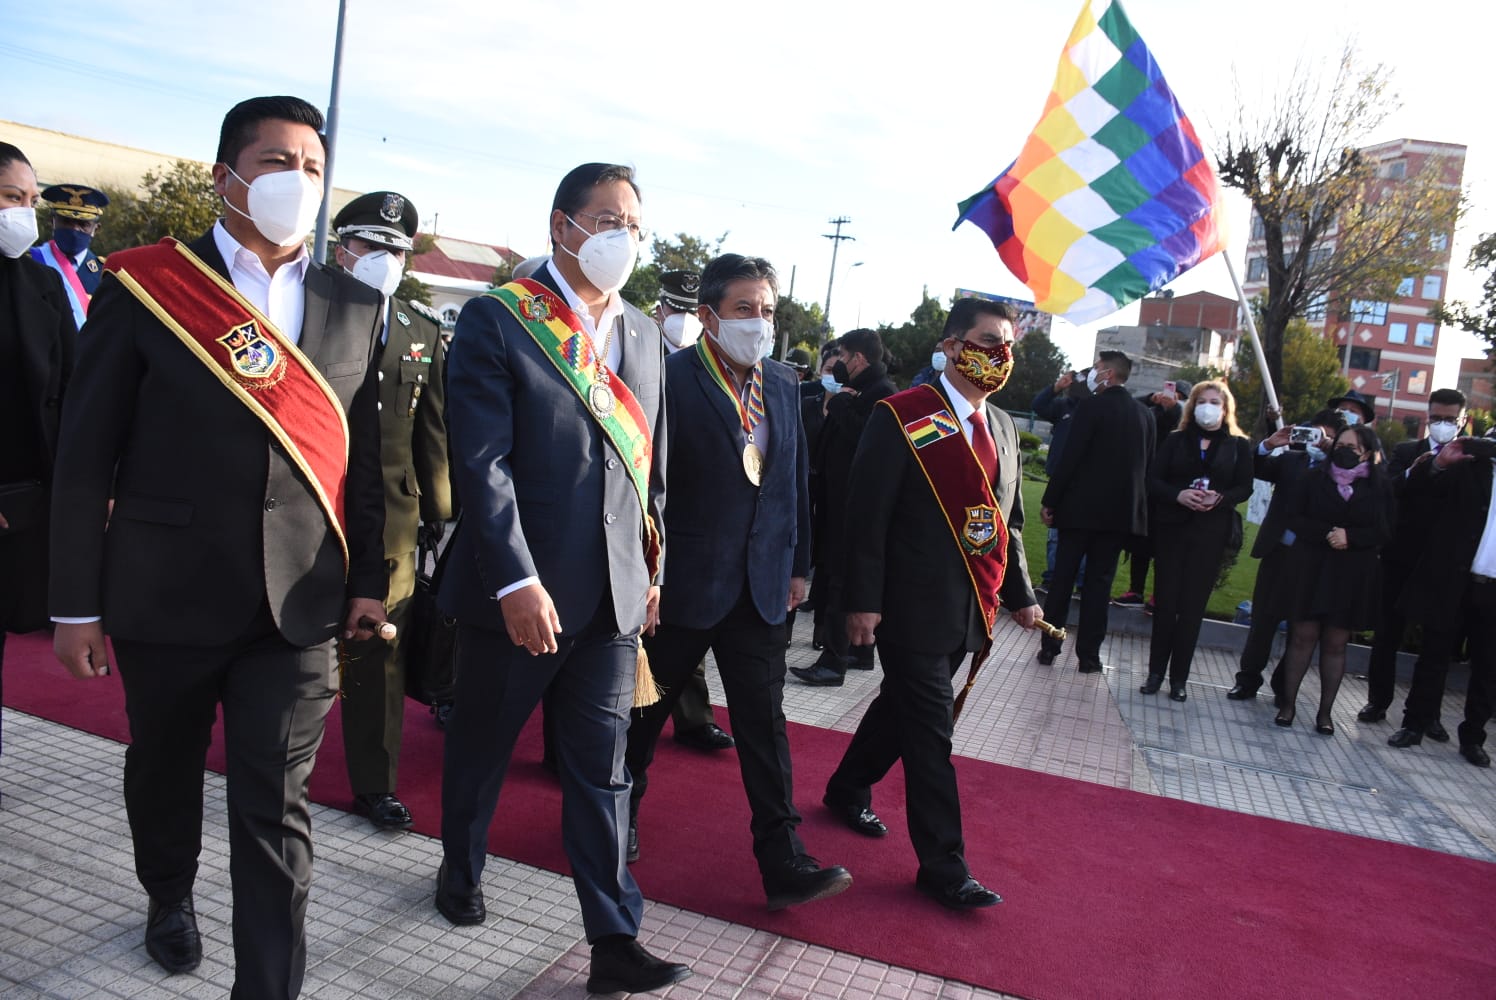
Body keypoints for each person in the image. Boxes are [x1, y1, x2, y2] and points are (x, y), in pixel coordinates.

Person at [47, 97, 389, 999]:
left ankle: (266, 987)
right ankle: (168, 895)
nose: (298, 183)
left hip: (298, 604)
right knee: (163, 769)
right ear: (225, 176)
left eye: (312, 168)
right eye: (277, 162)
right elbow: (85, 458)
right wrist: (75, 602)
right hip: (167, 591)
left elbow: (370, 458)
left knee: (275, 813)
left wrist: (372, 583)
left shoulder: (355, 304)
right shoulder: (145, 283)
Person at [434, 163, 689, 995]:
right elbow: (482, 463)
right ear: (562, 227)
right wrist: (515, 582)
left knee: (603, 769)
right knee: (481, 748)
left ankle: (614, 940)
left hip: (613, 598)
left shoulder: (647, 334)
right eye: (607, 219)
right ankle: (461, 867)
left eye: (635, 225)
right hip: (521, 596)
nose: (624, 238)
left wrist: (652, 568)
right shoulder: (498, 319)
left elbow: (649, 469)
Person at [624, 253, 852, 909]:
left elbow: (795, 483)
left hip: (763, 589)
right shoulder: (668, 379)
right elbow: (650, 488)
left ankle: (784, 860)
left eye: (768, 311)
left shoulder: (782, 383)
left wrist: (800, 565)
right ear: (707, 316)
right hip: (683, 588)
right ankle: (621, 808)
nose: (759, 323)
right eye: (744, 310)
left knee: (764, 726)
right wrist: (649, 576)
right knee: (644, 716)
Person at [823, 297, 1041, 908]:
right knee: (930, 731)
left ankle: (847, 787)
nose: (999, 355)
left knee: (903, 709)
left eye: (1007, 344)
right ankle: (945, 865)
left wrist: (1021, 595)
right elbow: (866, 516)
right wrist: (861, 602)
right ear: (949, 346)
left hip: (971, 605)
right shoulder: (903, 414)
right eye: (986, 340)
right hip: (910, 607)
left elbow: (1009, 523)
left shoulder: (1000, 425)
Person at [329, 190, 454, 831]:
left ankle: (374, 782)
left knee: (381, 647)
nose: (383, 259)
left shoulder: (420, 330)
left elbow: (432, 431)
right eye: (371, 245)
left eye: (397, 250)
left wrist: (444, 514)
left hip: (395, 523)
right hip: (313, 506)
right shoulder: (307, 311)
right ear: (341, 247)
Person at [1, 142, 78, 773]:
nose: (23, 214)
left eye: (29, 200)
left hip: (22, 502)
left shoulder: (40, 282)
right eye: (10, 199)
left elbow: (71, 390)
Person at [648, 268, 734, 753]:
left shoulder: (712, 364)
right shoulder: (634, 347)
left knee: (687, 621)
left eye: (689, 311)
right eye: (674, 309)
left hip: (692, 515)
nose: (680, 320)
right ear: (660, 308)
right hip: (642, 506)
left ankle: (693, 717)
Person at [791, 328, 897, 686]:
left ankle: (833, 661)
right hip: (839, 497)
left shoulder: (882, 394)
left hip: (854, 504)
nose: (836, 365)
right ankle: (858, 653)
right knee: (838, 575)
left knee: (839, 579)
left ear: (859, 359)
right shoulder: (867, 389)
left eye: (842, 357)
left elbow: (868, 441)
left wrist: (838, 405)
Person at [1037, 350, 1154, 672]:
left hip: (1079, 511)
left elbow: (1070, 458)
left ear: (1109, 375)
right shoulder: (1144, 415)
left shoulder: (1091, 407)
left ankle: (1050, 645)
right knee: (1099, 585)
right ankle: (1089, 656)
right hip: (1118, 517)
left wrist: (1051, 500)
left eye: (1098, 368)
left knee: (1063, 579)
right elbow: (1146, 467)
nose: (1092, 373)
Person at [1273, 424, 1393, 735]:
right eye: (1340, 445)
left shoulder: (1380, 486)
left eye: (1352, 448)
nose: (1344, 451)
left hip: (1351, 573)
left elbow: (1384, 530)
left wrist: (1350, 537)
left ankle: (1325, 713)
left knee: (1336, 643)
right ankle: (1287, 705)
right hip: (1311, 566)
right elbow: (1294, 517)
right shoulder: (1314, 477)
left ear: (1367, 452)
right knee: (1302, 637)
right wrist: (1326, 533)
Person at [1360, 388, 1466, 736]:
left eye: (1450, 419)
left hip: (1443, 566)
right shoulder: (1407, 452)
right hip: (1399, 558)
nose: (1442, 425)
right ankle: (1378, 700)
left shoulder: (1470, 461)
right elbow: (1385, 490)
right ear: (1427, 416)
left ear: (1463, 420)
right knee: (1387, 634)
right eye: (1436, 418)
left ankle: (1427, 713)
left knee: (1437, 644)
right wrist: (1413, 472)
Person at [1140, 382, 1252, 700]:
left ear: (1225, 407)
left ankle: (1179, 680)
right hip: (1172, 530)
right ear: (1192, 406)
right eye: (1202, 401)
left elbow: (1245, 486)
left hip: (1211, 532)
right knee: (1166, 603)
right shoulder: (1176, 440)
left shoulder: (1238, 445)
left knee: (1192, 608)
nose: (1208, 406)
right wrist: (1178, 494)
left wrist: (1220, 498)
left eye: (1214, 401)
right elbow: (1153, 479)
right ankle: (1155, 673)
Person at [1390, 434, 1496, 766]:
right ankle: (1414, 724)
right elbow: (1422, 493)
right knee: (1434, 655)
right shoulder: (1470, 467)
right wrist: (1438, 463)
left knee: (1488, 666)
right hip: (1453, 579)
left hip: (1492, 588)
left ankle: (1474, 737)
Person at [1227, 410, 1343, 701]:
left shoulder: (1341, 471)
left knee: (1300, 627)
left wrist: (1334, 456)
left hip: (1314, 559)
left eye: (1325, 437)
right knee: (1263, 620)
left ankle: (1284, 686)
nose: (1317, 441)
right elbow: (1253, 467)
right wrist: (1270, 444)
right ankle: (1247, 679)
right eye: (1313, 433)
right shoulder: (1291, 460)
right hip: (1278, 552)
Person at [1115, 380, 1190, 609]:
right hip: (1146, 488)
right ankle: (1135, 590)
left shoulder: (1186, 419)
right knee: (1140, 544)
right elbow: (1131, 409)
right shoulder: (1153, 413)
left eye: (1176, 395)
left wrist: (1174, 408)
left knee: (1164, 548)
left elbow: (1180, 424)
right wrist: (1151, 399)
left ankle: (1160, 595)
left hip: (1170, 492)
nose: (1170, 397)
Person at [1030, 366, 1091, 589]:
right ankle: (1052, 578)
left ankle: (1082, 582)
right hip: (1058, 480)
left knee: (1082, 534)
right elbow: (1038, 406)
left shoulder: (1094, 409)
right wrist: (1056, 387)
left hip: (1085, 482)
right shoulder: (1063, 406)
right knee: (1055, 531)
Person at [30, 182, 109, 329]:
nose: (74, 229)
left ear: (95, 229)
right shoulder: (30, 261)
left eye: (83, 224)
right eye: (66, 221)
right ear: (52, 222)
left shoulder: (104, 274)